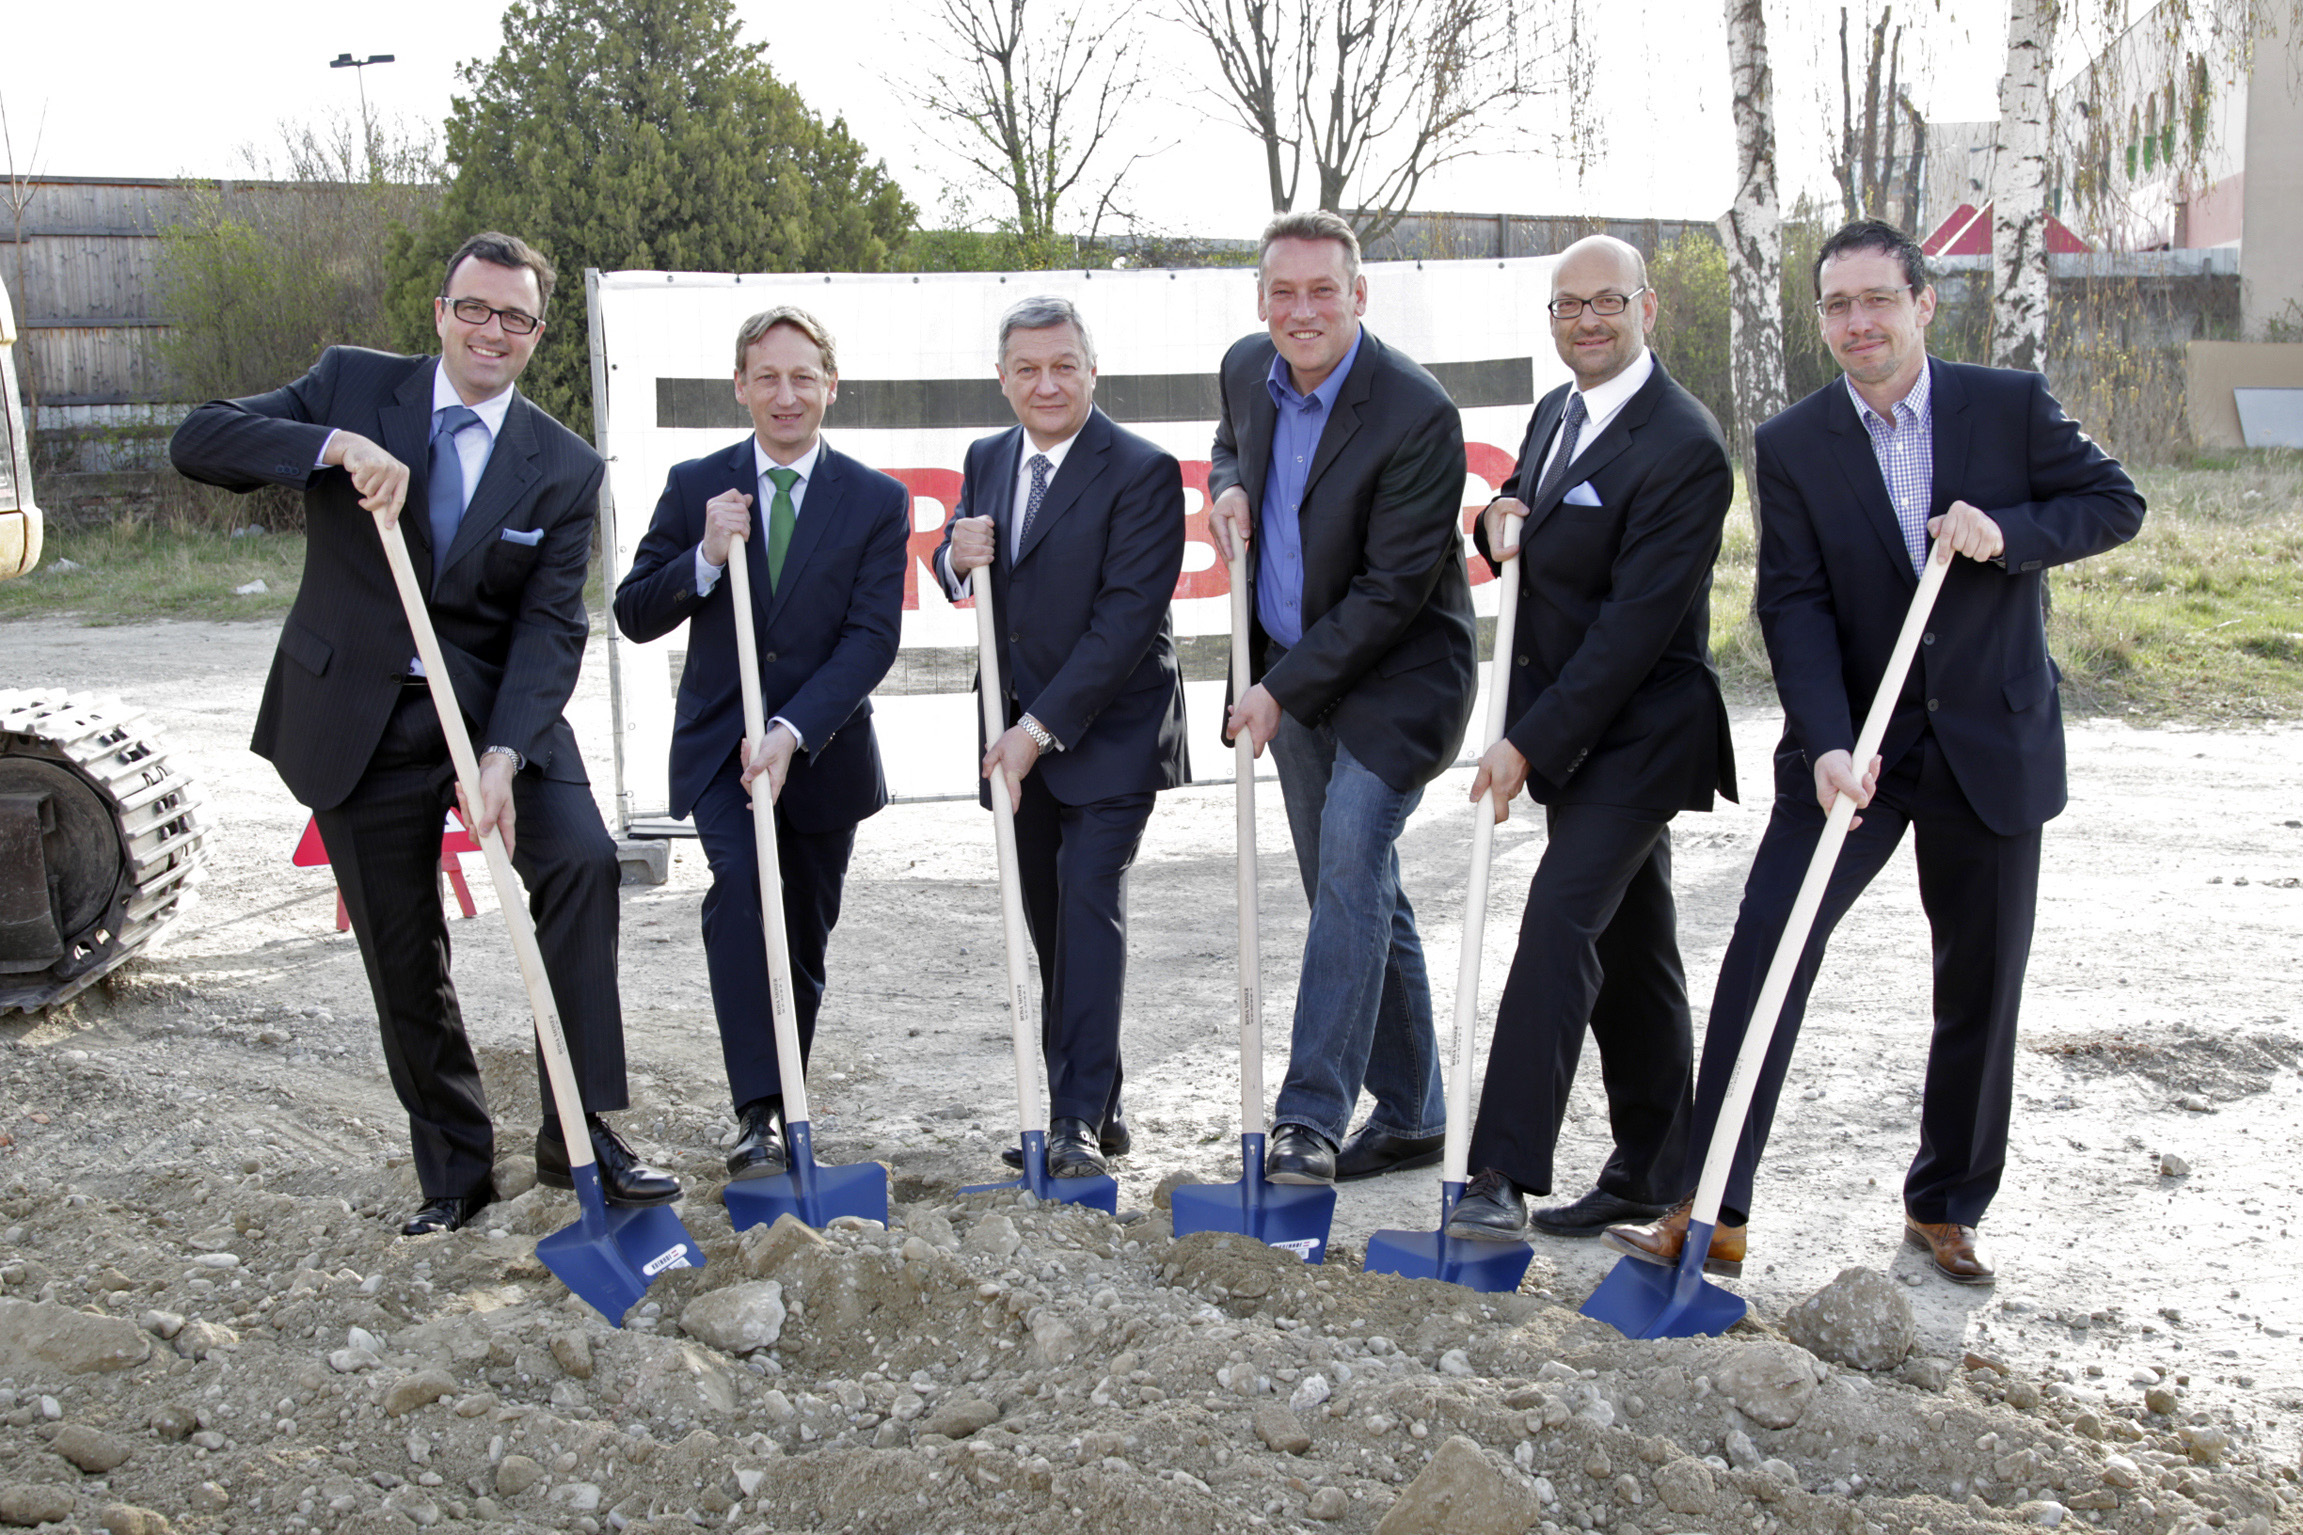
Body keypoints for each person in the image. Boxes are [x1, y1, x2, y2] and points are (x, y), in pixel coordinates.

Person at [1605, 219, 2145, 1284]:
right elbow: (1792, 603)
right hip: (1850, 754)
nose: (1858, 322)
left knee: (1979, 982)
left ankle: (1944, 1205)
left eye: (1876, 300)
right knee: (1765, 957)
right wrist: (1826, 743)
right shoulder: (1792, 442)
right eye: (1837, 305)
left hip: (1988, 741)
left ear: (1922, 303)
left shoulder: (2007, 406)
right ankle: (1709, 1206)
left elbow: (2112, 503)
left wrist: (2009, 533)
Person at [170, 231, 680, 1235]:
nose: (492, 330)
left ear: (537, 334)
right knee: (403, 945)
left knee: (581, 863)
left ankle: (577, 1132)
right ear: (442, 313)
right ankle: (454, 1168)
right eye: (474, 308)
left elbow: (548, 626)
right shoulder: (352, 387)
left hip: (491, 709)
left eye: (515, 317)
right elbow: (201, 438)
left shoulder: (562, 465)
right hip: (358, 706)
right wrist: (335, 446)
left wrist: (503, 753)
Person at [1440, 235, 1739, 1244]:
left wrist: (1523, 742)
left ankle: (1498, 1173)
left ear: (1646, 308)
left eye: (1606, 301)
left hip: (1638, 734)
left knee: (1558, 920)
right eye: (1568, 305)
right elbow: (1525, 521)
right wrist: (1492, 521)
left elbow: (1628, 633)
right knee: (1633, 944)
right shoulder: (1555, 411)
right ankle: (1654, 1166)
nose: (1587, 320)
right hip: (1576, 730)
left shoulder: (1684, 445)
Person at [1207, 209, 1477, 1187]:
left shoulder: (1415, 412)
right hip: (1290, 666)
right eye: (1283, 291)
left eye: (1323, 290)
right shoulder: (1248, 368)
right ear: (1261, 301)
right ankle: (1413, 1114)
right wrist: (1227, 484)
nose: (1302, 309)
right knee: (1350, 885)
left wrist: (1275, 688)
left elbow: (1389, 593)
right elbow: (1229, 442)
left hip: (1398, 677)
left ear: (1358, 295)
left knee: (1352, 858)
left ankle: (1309, 1118)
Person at [612, 307, 908, 1179]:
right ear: (739, 385)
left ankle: (787, 1094)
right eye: (767, 377)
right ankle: (758, 1113)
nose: (786, 395)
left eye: (802, 377)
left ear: (830, 386)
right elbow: (634, 612)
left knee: (802, 936)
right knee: (745, 892)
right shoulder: (697, 485)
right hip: (723, 750)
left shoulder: (876, 499)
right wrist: (704, 556)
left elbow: (870, 640)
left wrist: (791, 729)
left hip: (821, 751)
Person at [934, 295, 1188, 1179]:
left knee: (1085, 901)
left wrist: (1035, 732)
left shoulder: (1143, 471)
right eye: (1027, 369)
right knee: (1049, 925)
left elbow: (1124, 625)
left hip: (1110, 733)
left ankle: (1072, 1119)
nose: (1046, 384)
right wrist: (951, 557)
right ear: (1002, 379)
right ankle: (1099, 1102)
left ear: (1091, 370)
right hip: (1015, 736)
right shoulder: (986, 457)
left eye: (1063, 366)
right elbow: (966, 573)